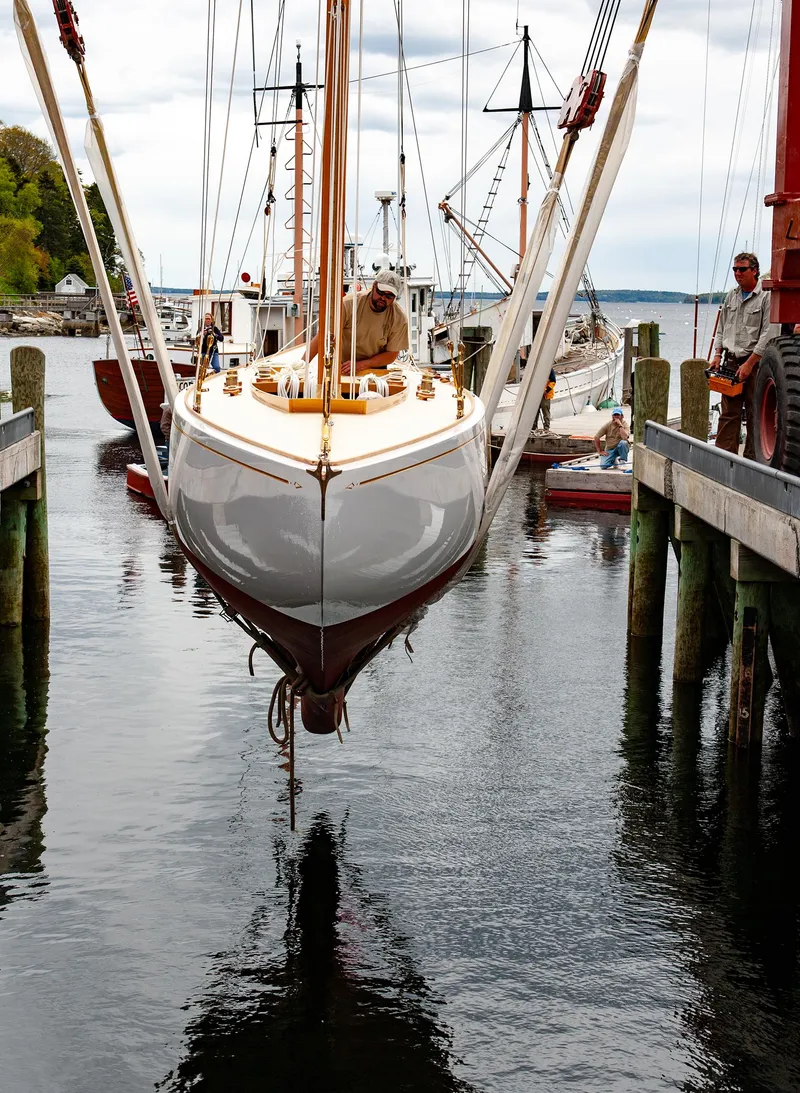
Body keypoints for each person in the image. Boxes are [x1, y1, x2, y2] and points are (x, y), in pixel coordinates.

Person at [711, 252, 779, 457]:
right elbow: (721, 328)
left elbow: (769, 333)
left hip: (756, 364)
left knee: (755, 414)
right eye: (735, 269)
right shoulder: (731, 295)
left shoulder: (766, 296)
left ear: (755, 271)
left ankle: (752, 461)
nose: (737, 273)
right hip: (731, 362)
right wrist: (717, 354)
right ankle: (724, 459)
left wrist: (750, 363)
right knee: (728, 414)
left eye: (742, 269)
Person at [305, 269, 409, 375]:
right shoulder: (348, 305)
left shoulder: (399, 319)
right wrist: (303, 365)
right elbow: (324, 336)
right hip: (342, 368)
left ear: (395, 297)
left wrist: (362, 365)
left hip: (375, 370)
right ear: (373, 286)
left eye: (389, 296)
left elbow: (391, 354)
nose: (383, 298)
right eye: (380, 292)